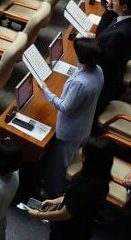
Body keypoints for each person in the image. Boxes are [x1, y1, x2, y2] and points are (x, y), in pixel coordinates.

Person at [38, 38, 104, 195]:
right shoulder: (98, 70)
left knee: (58, 166)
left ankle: (53, 194)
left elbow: (65, 107)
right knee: (59, 161)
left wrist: (46, 91)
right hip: (83, 125)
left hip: (70, 130)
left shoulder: (81, 83)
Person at [27, 137, 112, 240]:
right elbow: (76, 201)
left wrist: (38, 215)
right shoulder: (102, 182)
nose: (80, 153)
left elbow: (64, 214)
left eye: (84, 152)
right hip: (84, 228)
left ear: (90, 159)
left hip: (68, 231)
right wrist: (56, 201)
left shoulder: (84, 188)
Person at [96, 0, 131, 107]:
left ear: (125, 7)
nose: (112, 1)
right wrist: (110, 9)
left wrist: (86, 55)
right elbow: (102, 34)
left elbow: (107, 63)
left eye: (116, 0)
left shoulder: (121, 34)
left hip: (105, 81)